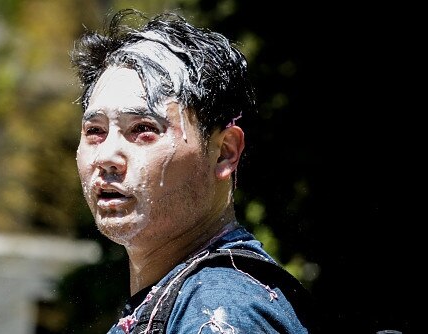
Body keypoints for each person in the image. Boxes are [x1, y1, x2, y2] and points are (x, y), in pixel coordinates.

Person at [71, 8, 315, 333]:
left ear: (224, 152)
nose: (106, 156)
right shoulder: (179, 299)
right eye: (95, 131)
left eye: (143, 128)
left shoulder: (221, 310)